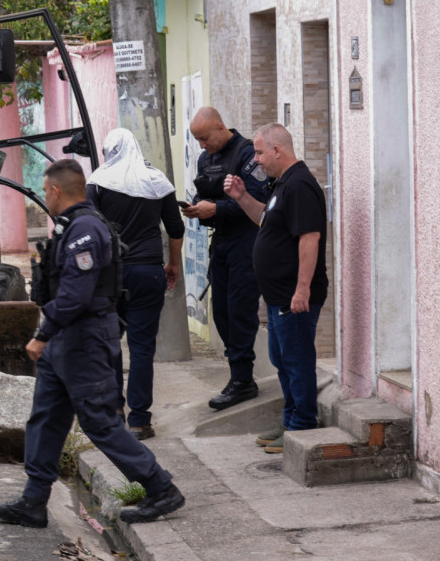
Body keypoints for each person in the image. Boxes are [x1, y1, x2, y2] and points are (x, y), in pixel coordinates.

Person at [0, 159, 184, 528]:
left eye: (46, 190)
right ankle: (33, 500)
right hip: (66, 339)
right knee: (46, 418)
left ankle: (160, 488)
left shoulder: (86, 230)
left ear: (57, 191)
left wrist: (42, 334)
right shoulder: (72, 226)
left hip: (84, 338)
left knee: (100, 422)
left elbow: (77, 296)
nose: (45, 196)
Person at [223, 123, 328, 455]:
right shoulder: (282, 185)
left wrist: (302, 290)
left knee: (296, 360)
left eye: (258, 152)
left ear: (277, 150)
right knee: (281, 358)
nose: (256, 159)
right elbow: (263, 221)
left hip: (294, 297)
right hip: (278, 295)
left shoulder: (300, 186)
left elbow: (309, 239)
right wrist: (241, 197)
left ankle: (302, 425)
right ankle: (290, 420)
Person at [86, 128, 184, 440]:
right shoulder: (157, 181)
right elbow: (175, 228)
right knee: (142, 348)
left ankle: (114, 411)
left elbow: (89, 227)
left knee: (110, 342)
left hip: (109, 275)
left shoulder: (98, 181)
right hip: (148, 271)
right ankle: (140, 420)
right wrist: (173, 264)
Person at [182, 107, 269, 411]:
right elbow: (203, 194)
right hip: (221, 242)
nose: (202, 145)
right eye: (198, 140)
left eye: (205, 138)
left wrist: (215, 209)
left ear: (220, 127)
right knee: (221, 311)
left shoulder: (246, 155)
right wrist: (196, 208)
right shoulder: (207, 159)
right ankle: (238, 376)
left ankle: (243, 380)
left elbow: (257, 203)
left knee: (240, 309)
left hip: (247, 241)